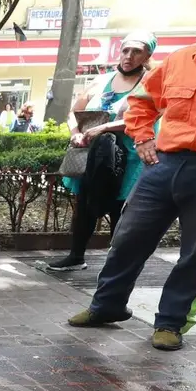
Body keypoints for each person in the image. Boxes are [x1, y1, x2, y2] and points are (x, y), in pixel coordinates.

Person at [68, 0, 196, 352]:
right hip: (163, 165)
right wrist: (143, 139)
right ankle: (106, 306)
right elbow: (141, 105)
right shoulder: (180, 60)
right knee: (128, 239)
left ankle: (170, 323)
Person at [47, 31, 156, 273]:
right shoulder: (101, 80)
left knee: (121, 208)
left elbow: (146, 118)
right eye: (126, 50)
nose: (129, 56)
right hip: (93, 154)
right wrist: (75, 132)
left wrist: (104, 127)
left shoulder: (150, 83)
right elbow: (73, 111)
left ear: (147, 55)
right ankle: (76, 256)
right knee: (84, 204)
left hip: (127, 157)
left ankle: (117, 264)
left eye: (137, 51)